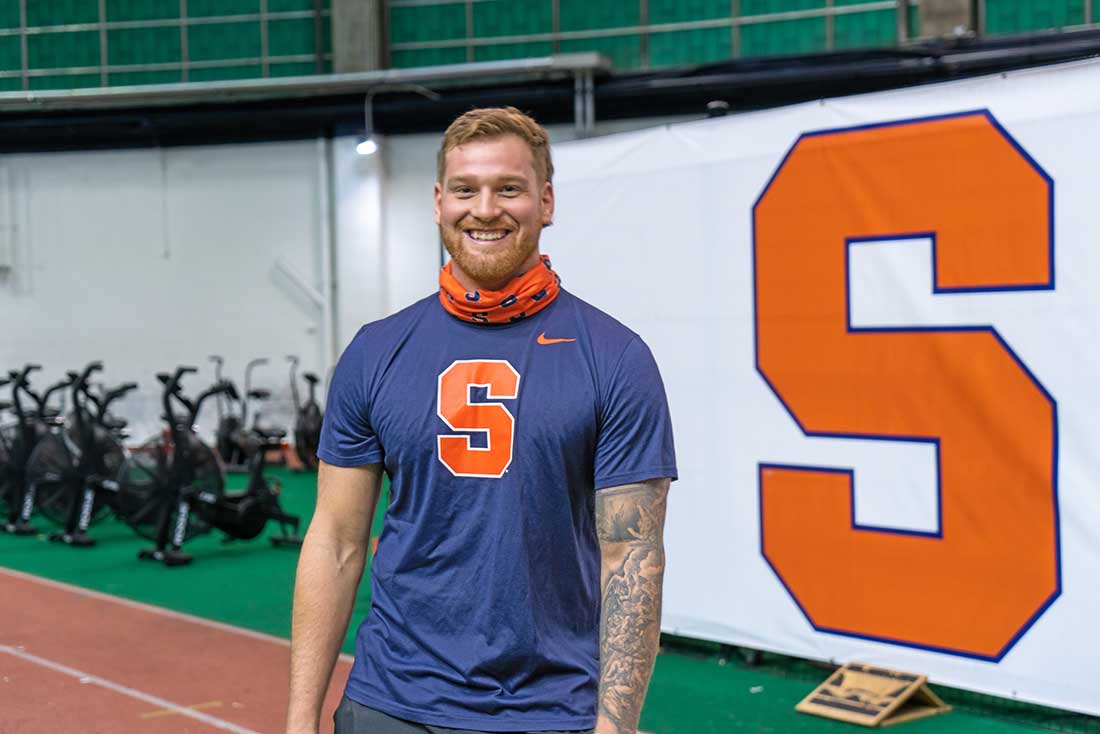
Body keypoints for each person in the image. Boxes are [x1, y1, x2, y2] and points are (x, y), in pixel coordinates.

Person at [286, 107, 677, 734]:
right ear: (439, 201)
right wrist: (300, 719)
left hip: (548, 711)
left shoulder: (615, 357)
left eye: (510, 189)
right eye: (466, 189)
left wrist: (617, 726)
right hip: (390, 702)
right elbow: (335, 542)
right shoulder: (376, 351)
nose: (485, 209)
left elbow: (632, 556)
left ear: (545, 202)